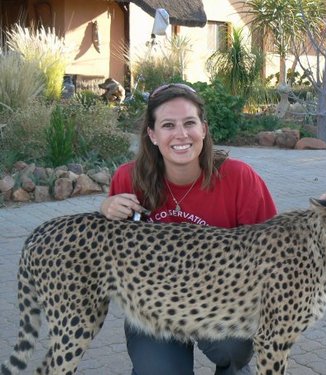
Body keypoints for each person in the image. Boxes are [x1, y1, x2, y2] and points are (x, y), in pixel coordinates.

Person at [100, 83, 277, 375]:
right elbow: (112, 253)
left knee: (233, 348)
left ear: (204, 129)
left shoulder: (239, 178)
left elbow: (273, 249)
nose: (181, 134)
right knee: (157, 370)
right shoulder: (129, 178)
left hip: (221, 298)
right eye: (168, 125)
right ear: (152, 135)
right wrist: (105, 212)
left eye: (190, 123)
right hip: (154, 302)